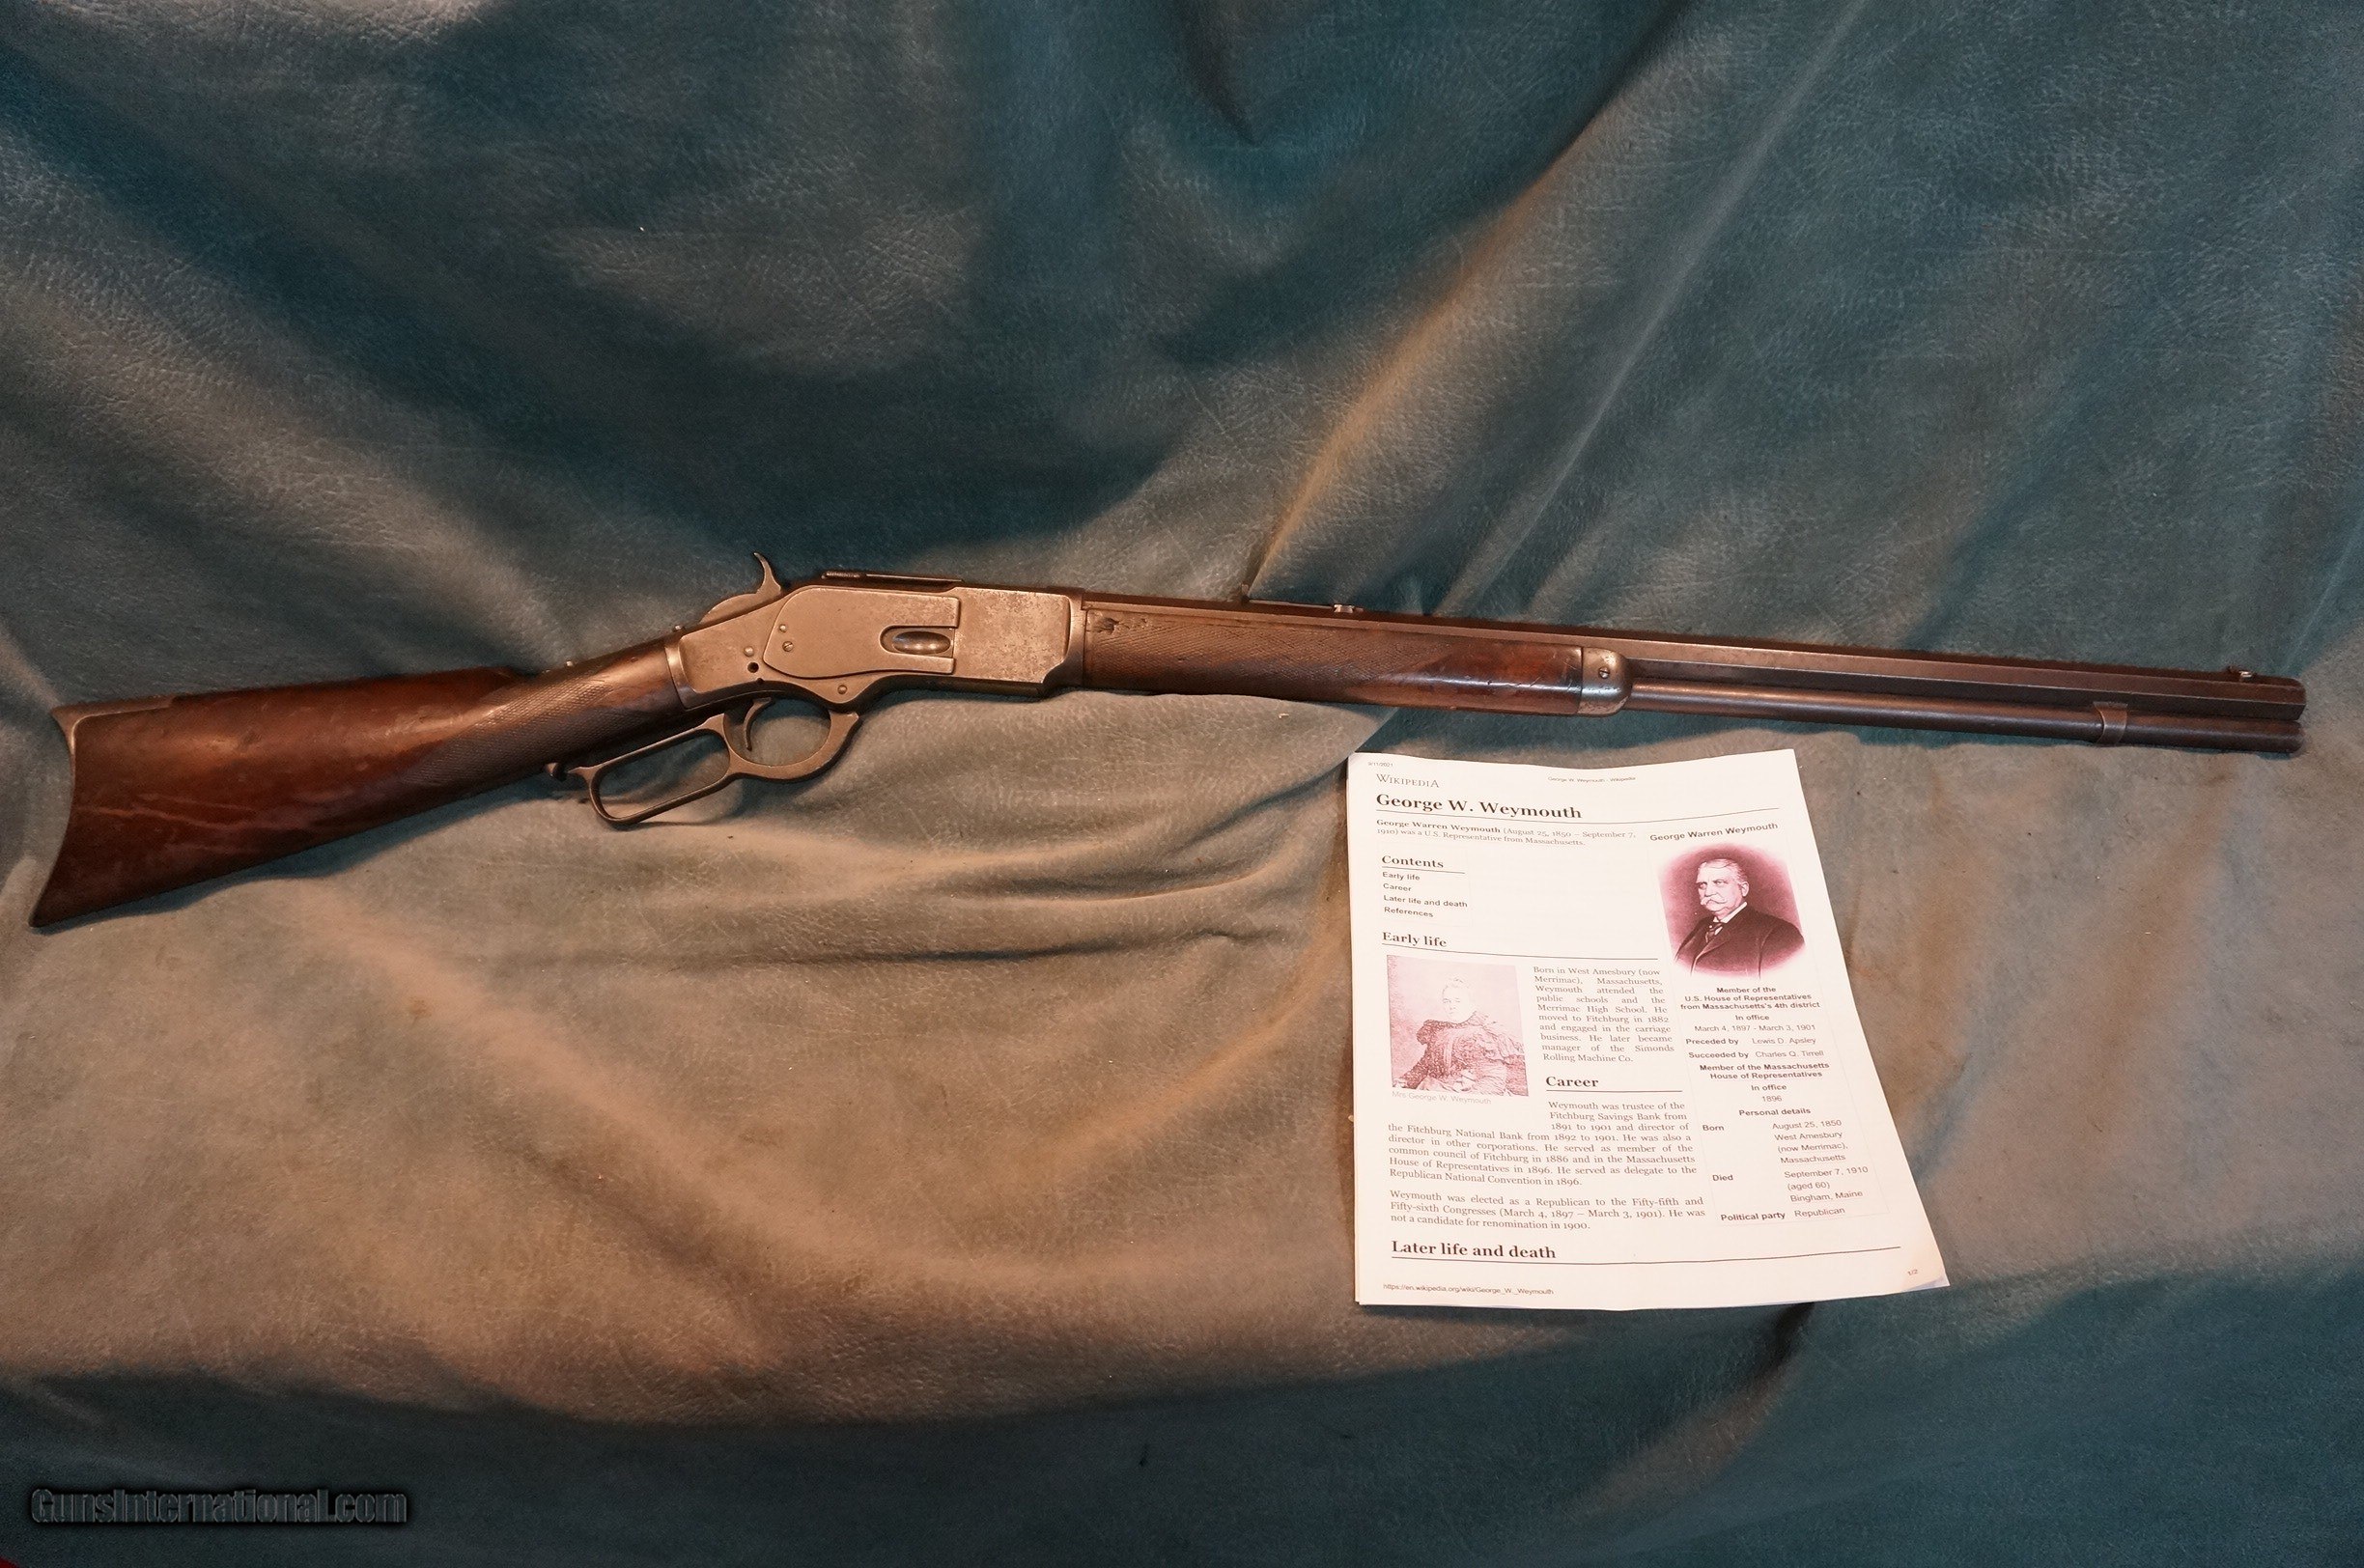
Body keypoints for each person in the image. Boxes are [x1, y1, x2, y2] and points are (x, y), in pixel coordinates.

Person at [1674, 856, 1805, 976]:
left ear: (1743, 889)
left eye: (1719, 882)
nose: (1708, 892)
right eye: (1702, 885)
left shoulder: (1779, 933)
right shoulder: (1702, 926)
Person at [1397, 978, 1526, 1095]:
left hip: (1470, 1093)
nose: (1452, 1006)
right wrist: (1404, 1082)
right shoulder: (1440, 1032)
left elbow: (1493, 1079)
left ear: (1472, 1003)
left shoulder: (1482, 1034)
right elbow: (1424, 1066)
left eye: (1458, 1001)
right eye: (1447, 1001)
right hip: (1433, 1089)